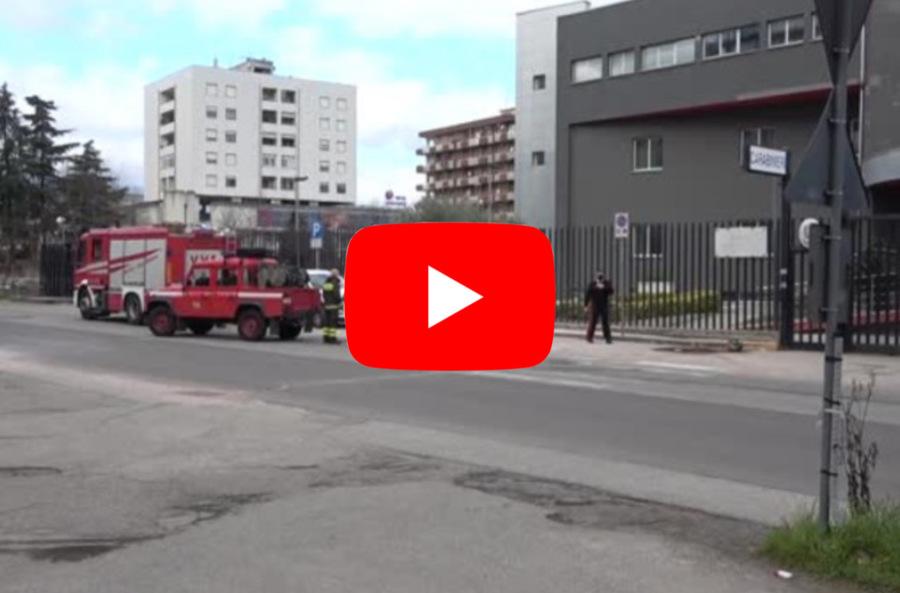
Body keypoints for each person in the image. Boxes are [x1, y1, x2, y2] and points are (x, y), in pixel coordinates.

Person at [585, 273, 614, 344]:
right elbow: (588, 294)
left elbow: (611, 291)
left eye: (601, 278)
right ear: (596, 278)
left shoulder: (606, 283)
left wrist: (603, 287)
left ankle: (608, 338)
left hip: (604, 306)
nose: (600, 280)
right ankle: (589, 337)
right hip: (594, 306)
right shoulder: (593, 284)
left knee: (605, 322)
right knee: (593, 322)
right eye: (599, 278)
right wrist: (585, 305)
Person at [322, 269, 342, 344]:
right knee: (333, 323)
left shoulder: (326, 282)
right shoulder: (335, 282)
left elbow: (324, 293)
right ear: (336, 275)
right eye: (338, 274)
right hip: (333, 306)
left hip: (327, 305)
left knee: (327, 322)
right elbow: (336, 294)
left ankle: (326, 337)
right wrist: (340, 301)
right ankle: (332, 338)